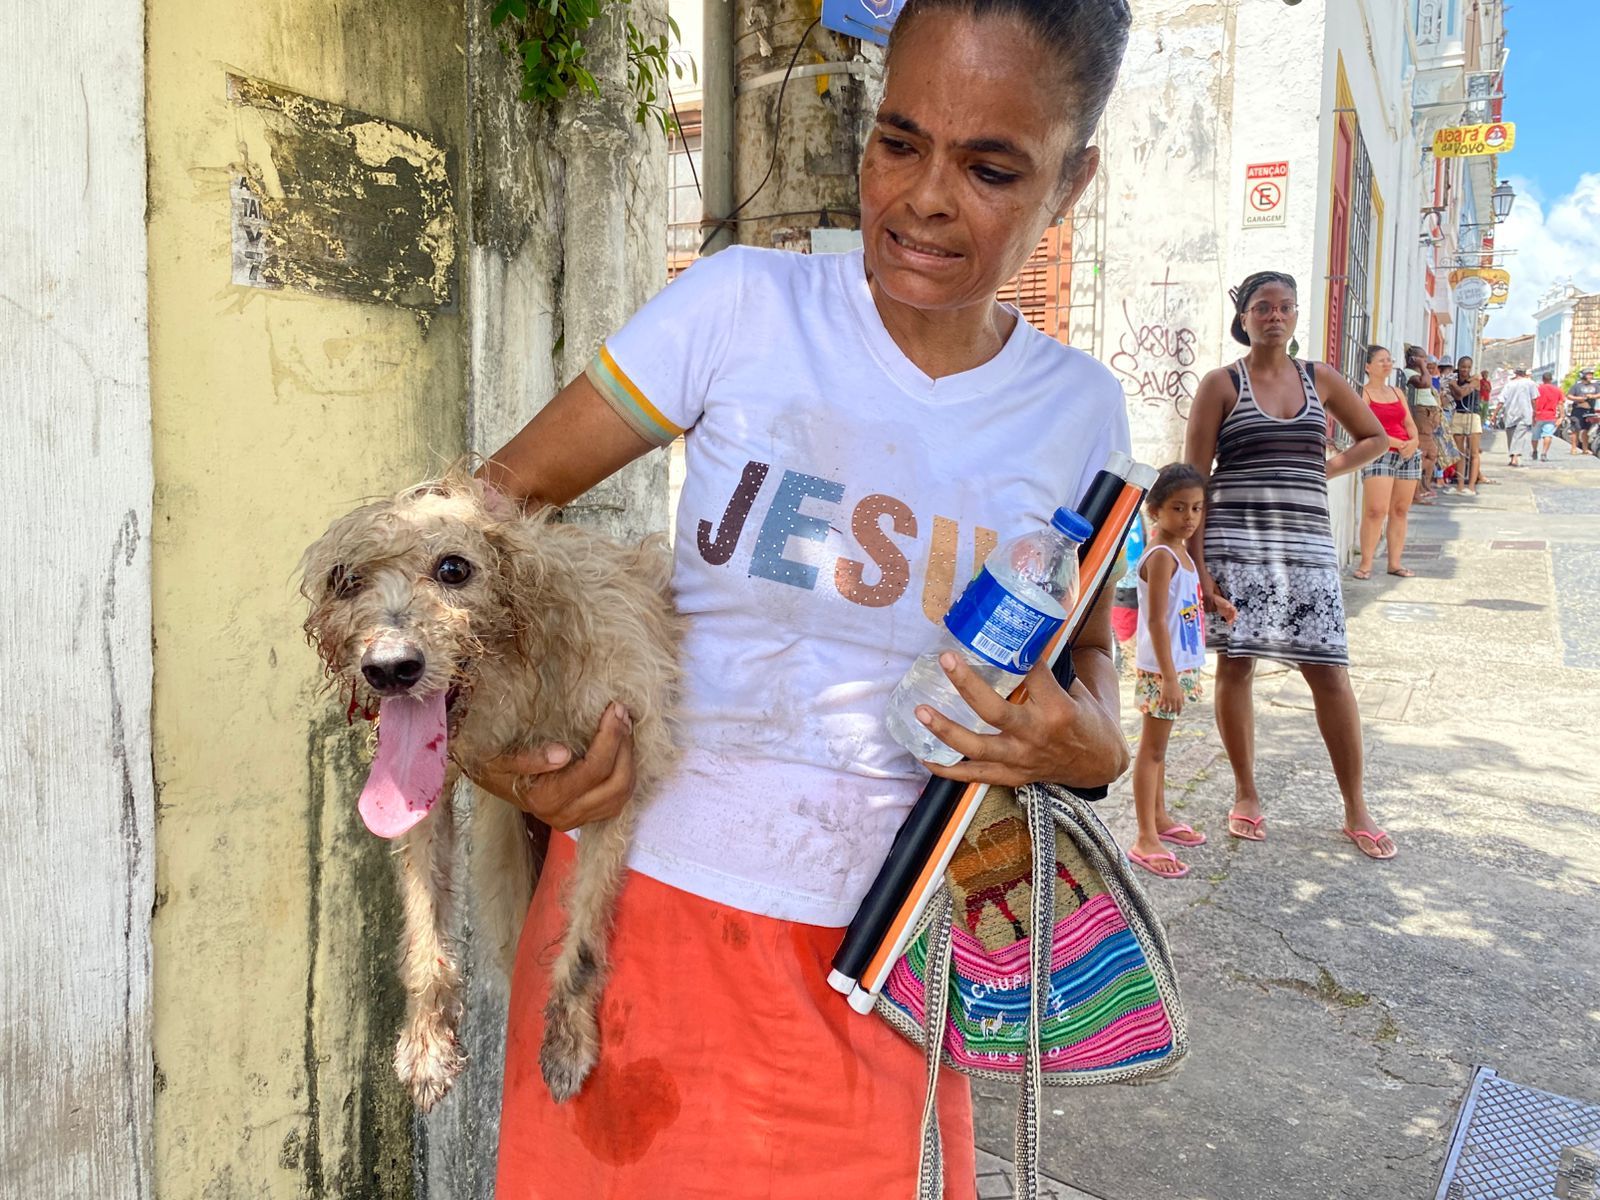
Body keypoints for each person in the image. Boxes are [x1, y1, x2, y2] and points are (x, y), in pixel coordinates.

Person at [472, 1, 1136, 1194]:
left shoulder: (1077, 411)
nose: (924, 198)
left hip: (890, 968)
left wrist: (1093, 744)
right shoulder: (739, 308)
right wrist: (498, 755)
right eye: (898, 142)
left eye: (990, 169)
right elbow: (482, 517)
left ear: (1071, 181)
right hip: (632, 937)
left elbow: (1088, 656)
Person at [1184, 271, 1395, 860]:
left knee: (1329, 672)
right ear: (1244, 318)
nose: (1274, 316)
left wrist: (1321, 469)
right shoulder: (1221, 384)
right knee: (1237, 666)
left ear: (1296, 316)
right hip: (1236, 547)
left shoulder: (1320, 378)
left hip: (1307, 550)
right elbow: (1193, 480)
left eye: (1284, 307)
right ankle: (1246, 793)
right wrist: (1196, 567)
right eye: (1262, 307)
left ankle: (1356, 806)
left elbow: (1374, 437)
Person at [1127, 464, 1234, 879]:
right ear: (1155, 510)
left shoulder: (1182, 553)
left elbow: (1180, 607)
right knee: (1151, 751)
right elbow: (1156, 621)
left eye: (1196, 508)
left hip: (1178, 667)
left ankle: (1160, 818)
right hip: (1162, 672)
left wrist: (1215, 603)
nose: (1189, 517)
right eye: (1178, 508)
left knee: (1161, 749)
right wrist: (1169, 679)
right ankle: (1144, 837)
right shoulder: (1161, 556)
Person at [1355, 345, 1422, 580]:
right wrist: (1395, 442)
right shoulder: (1364, 394)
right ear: (1368, 366)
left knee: (1400, 510)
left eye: (1389, 360)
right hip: (1380, 454)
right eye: (1381, 360)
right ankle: (1365, 564)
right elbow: (1363, 427)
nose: (1387, 364)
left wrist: (1413, 441)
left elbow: (1409, 422)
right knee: (1376, 510)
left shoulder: (1397, 392)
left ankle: (1395, 563)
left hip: (1407, 455)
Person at [1405, 347, 1442, 503]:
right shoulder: (1410, 373)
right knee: (1425, 453)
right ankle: (1415, 492)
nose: (1426, 363)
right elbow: (1425, 383)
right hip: (1420, 414)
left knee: (1431, 454)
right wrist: (1422, 366)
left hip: (1428, 415)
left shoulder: (1420, 373)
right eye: (1423, 359)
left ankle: (1421, 487)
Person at [1447, 355, 1483, 494]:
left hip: (1472, 415)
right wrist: (1454, 385)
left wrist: (1454, 385)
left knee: (1473, 452)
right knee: (1459, 452)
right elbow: (1456, 396)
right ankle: (1460, 486)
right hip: (1459, 414)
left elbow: (1461, 393)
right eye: (1463, 367)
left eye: (1468, 367)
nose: (1465, 370)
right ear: (1458, 367)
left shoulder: (1474, 380)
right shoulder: (1455, 381)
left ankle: (1472, 486)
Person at [1499, 366, 1537, 468]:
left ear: (1515, 373)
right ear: (1525, 373)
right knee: (1519, 436)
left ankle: (1513, 457)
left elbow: (1501, 400)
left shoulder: (1509, 384)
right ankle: (1515, 457)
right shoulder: (1531, 383)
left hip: (1510, 413)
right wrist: (1535, 412)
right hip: (1525, 413)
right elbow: (1534, 400)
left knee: (1511, 436)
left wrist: (1495, 414)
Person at [1534, 371, 1565, 461]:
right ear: (1551, 379)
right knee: (1548, 435)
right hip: (1550, 416)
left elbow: (1533, 401)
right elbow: (1560, 404)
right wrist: (1561, 417)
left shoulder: (1537, 389)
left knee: (1535, 436)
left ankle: (1534, 451)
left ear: (1542, 379)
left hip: (1538, 415)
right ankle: (1544, 453)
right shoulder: (1557, 390)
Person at [1569, 368, 1599, 456]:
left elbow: (1599, 394)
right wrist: (1579, 398)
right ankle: (1573, 448)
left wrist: (1592, 396)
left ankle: (1585, 449)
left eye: (1591, 374)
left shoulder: (1595, 386)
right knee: (1575, 429)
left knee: (1586, 430)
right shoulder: (1577, 386)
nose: (1590, 376)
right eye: (1588, 374)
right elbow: (1569, 396)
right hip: (1578, 410)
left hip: (1589, 410)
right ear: (1583, 375)